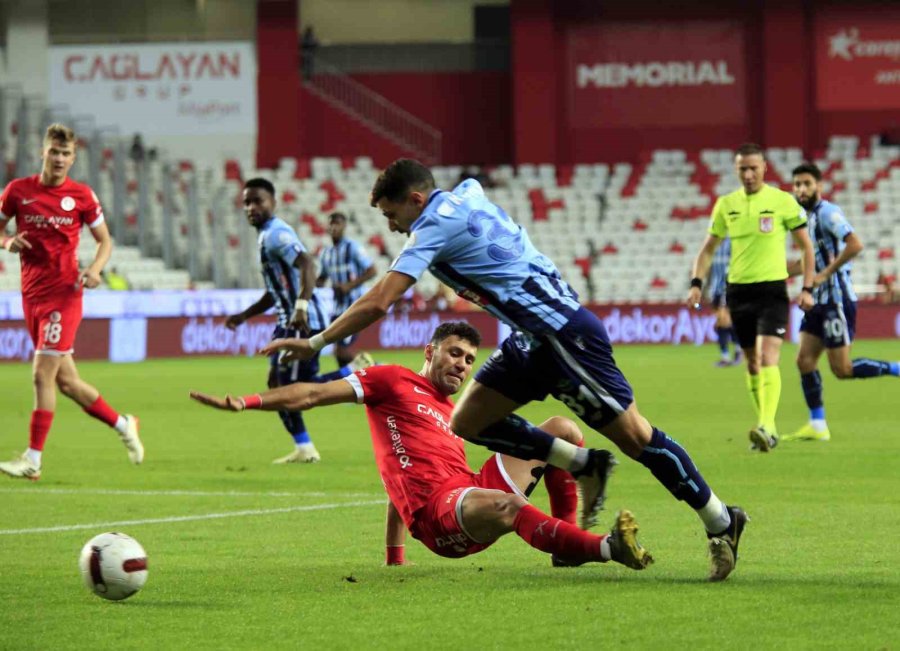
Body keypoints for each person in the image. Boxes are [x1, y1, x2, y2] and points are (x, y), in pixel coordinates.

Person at [260, 159, 746, 582]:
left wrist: (317, 342)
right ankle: (583, 464)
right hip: (527, 339)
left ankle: (722, 520)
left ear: (415, 199)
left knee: (636, 437)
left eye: (392, 215)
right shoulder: (465, 193)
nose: (392, 227)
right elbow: (472, 187)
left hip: (561, 332)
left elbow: (381, 300)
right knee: (468, 422)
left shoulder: (433, 224)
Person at [190, 322, 653, 570]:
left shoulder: (460, 411)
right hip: (440, 515)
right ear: (429, 351)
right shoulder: (391, 380)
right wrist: (247, 402)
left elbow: (397, 475)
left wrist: (394, 560)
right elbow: (312, 393)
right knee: (510, 506)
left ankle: (564, 545)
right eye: (454, 353)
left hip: (469, 488)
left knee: (562, 429)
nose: (462, 365)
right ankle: (606, 548)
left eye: (470, 360)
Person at [0, 123, 143, 480]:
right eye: (54, 152)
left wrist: (95, 270)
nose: (60, 159)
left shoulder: (81, 196)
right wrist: (7, 243)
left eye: (67, 154)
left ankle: (33, 459)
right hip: (31, 296)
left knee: (40, 374)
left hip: (64, 295)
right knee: (67, 384)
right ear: (43, 153)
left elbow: (105, 241)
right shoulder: (18, 191)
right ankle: (124, 424)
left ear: (74, 157)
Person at [224, 178, 371, 465]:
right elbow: (276, 291)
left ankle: (354, 372)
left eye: (258, 201)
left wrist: (301, 308)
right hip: (288, 320)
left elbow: (308, 264)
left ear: (273, 203)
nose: (251, 207)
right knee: (281, 385)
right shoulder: (266, 236)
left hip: (301, 322)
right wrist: (244, 316)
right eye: (247, 202)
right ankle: (304, 446)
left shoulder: (277, 234)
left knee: (293, 391)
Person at [689, 143, 816, 453]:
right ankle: (765, 426)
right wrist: (696, 283)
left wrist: (807, 287)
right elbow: (707, 250)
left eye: (753, 168)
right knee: (751, 363)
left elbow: (806, 248)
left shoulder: (782, 201)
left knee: (768, 357)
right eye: (742, 169)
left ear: (764, 169)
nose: (748, 174)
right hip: (738, 291)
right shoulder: (726, 205)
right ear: (736, 171)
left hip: (772, 290)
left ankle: (767, 426)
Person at [782, 163, 900, 442]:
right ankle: (818, 423)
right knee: (804, 360)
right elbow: (805, 262)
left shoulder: (828, 213)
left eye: (806, 184)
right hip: (817, 301)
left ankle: (896, 368)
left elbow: (855, 244)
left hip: (835, 300)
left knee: (842, 370)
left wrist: (824, 274)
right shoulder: (803, 219)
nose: (801, 189)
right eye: (797, 184)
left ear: (818, 186)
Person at [317, 212, 377, 367]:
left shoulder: (353, 248)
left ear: (344, 226)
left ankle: (375, 367)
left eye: (338, 223)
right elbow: (321, 279)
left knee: (341, 351)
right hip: (337, 308)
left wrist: (348, 286)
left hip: (354, 306)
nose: (334, 227)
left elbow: (372, 271)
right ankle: (352, 385)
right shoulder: (326, 253)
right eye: (331, 223)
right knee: (339, 354)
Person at [707, 237, 742, 367]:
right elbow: (711, 267)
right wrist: (706, 287)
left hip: (727, 289)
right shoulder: (713, 243)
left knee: (722, 323)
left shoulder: (731, 243)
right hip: (715, 290)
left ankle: (727, 356)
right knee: (723, 325)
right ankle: (737, 351)